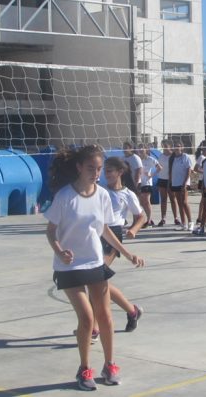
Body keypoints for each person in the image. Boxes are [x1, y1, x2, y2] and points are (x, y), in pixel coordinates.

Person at [45, 145, 144, 390]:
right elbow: (50, 231)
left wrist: (127, 254)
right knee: (87, 318)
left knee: (105, 317)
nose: (96, 173)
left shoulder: (102, 195)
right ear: (79, 167)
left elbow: (105, 230)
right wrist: (59, 251)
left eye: (99, 169)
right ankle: (84, 368)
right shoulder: (65, 197)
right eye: (91, 168)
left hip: (95, 262)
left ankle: (110, 365)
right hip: (69, 267)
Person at [96, 157, 146, 336]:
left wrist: (133, 229)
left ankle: (93, 328)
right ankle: (132, 311)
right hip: (98, 233)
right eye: (105, 170)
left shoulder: (127, 194)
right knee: (97, 282)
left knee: (96, 279)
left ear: (120, 172)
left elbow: (142, 216)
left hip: (113, 235)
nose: (106, 174)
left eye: (109, 171)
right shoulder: (100, 190)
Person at [169, 140, 193, 231]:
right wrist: (170, 182)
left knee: (184, 202)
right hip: (175, 183)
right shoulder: (172, 158)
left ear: (182, 147)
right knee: (179, 204)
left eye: (178, 146)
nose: (176, 148)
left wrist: (185, 183)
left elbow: (189, 170)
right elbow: (171, 171)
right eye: (175, 146)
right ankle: (184, 224)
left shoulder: (185, 156)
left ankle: (190, 222)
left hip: (183, 183)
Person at [156, 139, 180, 226]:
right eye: (163, 146)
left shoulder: (173, 156)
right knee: (163, 199)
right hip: (162, 179)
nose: (164, 147)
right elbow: (159, 168)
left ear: (170, 146)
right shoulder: (161, 156)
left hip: (171, 180)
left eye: (165, 146)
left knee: (172, 199)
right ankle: (163, 218)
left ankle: (176, 218)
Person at [137, 144, 162, 227]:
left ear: (146, 149)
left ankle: (149, 220)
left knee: (147, 201)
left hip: (147, 183)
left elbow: (159, 168)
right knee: (142, 202)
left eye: (142, 148)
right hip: (139, 183)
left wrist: (151, 175)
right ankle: (150, 219)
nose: (140, 150)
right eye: (139, 149)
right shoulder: (137, 159)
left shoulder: (150, 159)